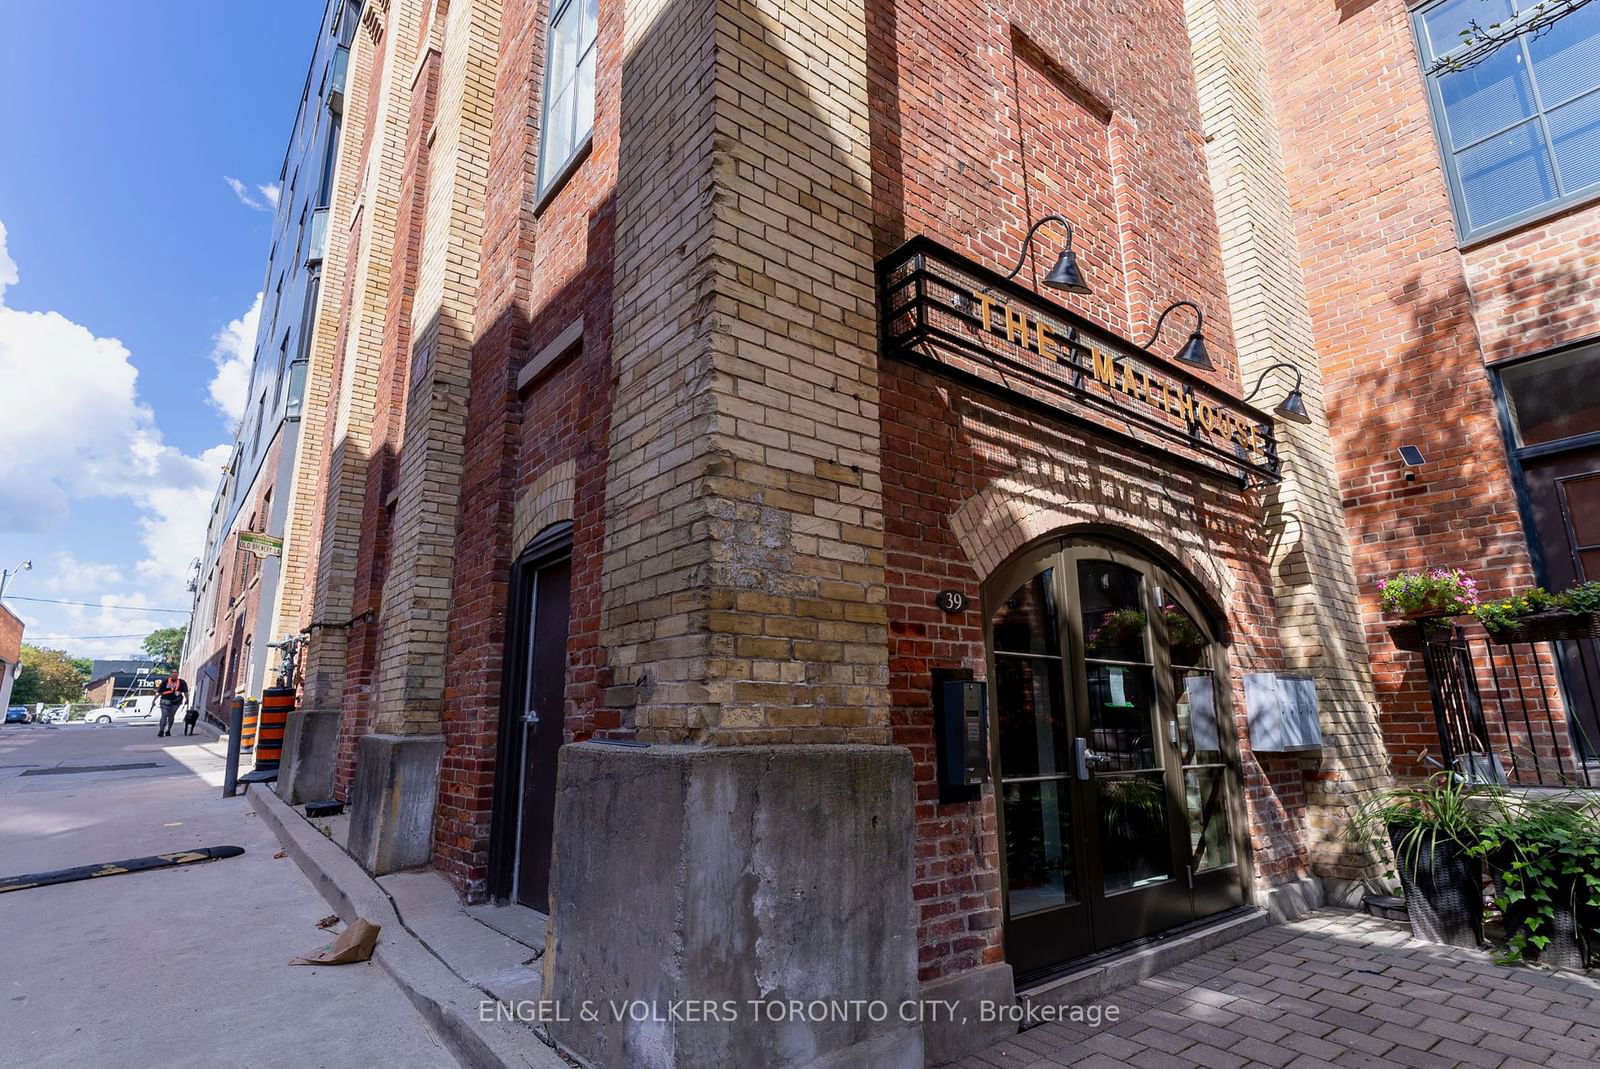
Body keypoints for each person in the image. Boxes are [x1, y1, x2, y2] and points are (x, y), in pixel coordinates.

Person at [156, 672, 188, 738]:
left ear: (178, 675)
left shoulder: (182, 682)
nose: (174, 676)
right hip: (166, 701)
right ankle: (162, 730)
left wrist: (187, 699)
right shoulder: (165, 682)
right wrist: (154, 700)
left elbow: (186, 692)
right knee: (164, 716)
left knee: (170, 716)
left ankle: (167, 730)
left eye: (175, 675)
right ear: (170, 675)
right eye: (173, 675)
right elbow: (159, 692)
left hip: (176, 702)